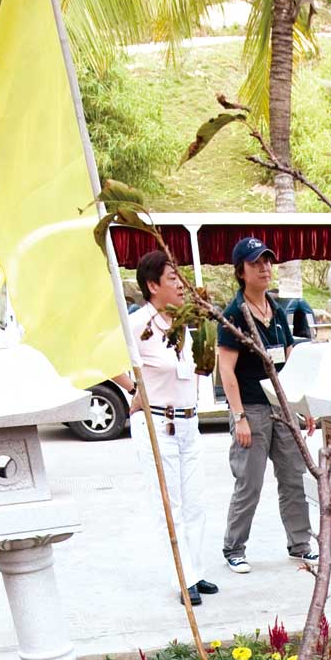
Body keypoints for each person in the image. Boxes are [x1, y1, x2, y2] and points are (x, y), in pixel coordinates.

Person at [215, 236, 317, 578]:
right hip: (252, 410)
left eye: (268, 262)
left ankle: (300, 543)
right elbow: (225, 369)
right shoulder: (234, 315)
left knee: (293, 478)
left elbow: (290, 360)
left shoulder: (276, 309)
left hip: (281, 408)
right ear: (241, 271)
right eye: (256, 263)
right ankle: (234, 548)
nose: (265, 268)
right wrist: (239, 416)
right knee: (250, 482)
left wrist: (302, 406)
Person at [125, 251, 219, 610]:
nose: (181, 283)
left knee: (195, 502)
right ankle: (182, 577)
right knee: (171, 505)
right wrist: (135, 391)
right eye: (171, 278)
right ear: (152, 286)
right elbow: (109, 361)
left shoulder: (182, 323)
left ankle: (195, 570)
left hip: (189, 422)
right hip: (158, 423)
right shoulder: (139, 324)